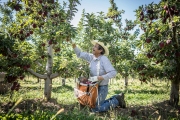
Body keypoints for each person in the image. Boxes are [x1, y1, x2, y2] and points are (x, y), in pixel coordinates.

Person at [72, 40, 126, 113]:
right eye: (94, 46)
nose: (93, 47)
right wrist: (73, 44)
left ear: (100, 50)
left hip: (102, 87)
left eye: (95, 47)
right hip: (93, 87)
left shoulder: (104, 59)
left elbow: (113, 73)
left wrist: (99, 78)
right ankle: (114, 99)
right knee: (90, 105)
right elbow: (79, 54)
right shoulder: (91, 57)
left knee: (96, 108)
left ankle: (116, 100)